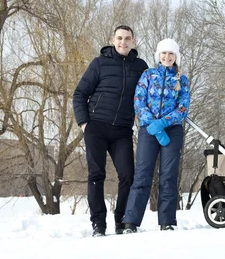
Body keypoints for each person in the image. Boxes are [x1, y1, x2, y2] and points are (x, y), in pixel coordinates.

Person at [72, 25, 148, 237]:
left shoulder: (141, 67)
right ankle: (98, 224)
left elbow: (148, 95)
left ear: (133, 41)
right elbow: (79, 94)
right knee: (96, 174)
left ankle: (122, 220)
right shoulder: (99, 63)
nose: (123, 42)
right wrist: (84, 123)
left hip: (122, 130)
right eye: (119, 38)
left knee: (128, 175)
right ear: (113, 40)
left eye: (127, 38)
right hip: (96, 126)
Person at [121, 38, 190, 233]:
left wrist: (164, 123)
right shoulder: (148, 75)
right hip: (148, 130)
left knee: (168, 175)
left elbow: (183, 107)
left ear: (176, 57)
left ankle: (167, 221)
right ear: (158, 56)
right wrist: (153, 124)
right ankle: (131, 222)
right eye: (163, 53)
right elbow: (138, 101)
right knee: (142, 174)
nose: (167, 57)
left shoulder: (181, 79)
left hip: (172, 130)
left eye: (170, 54)